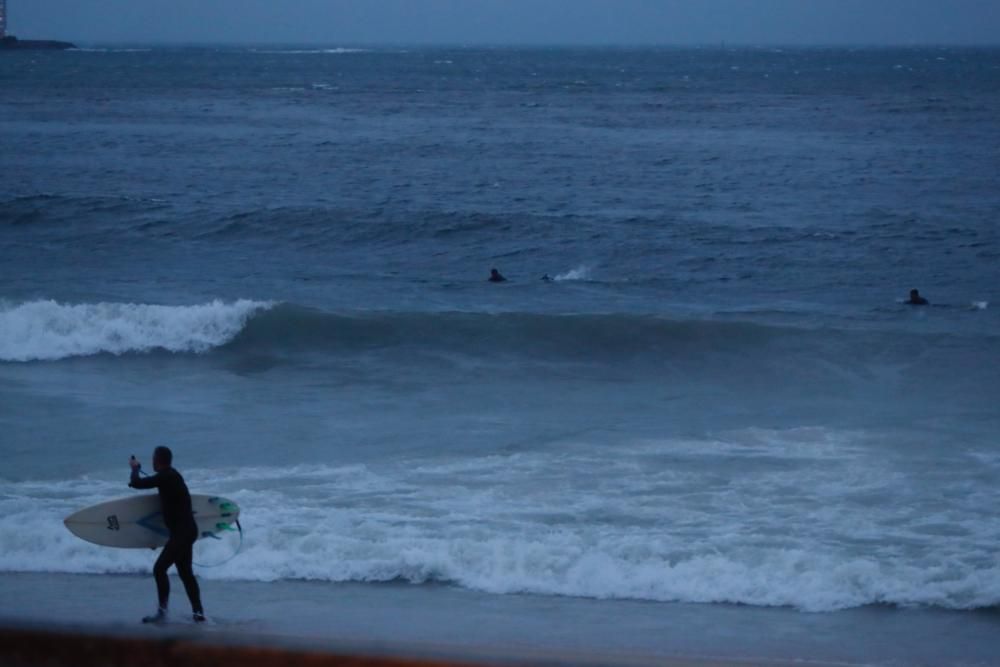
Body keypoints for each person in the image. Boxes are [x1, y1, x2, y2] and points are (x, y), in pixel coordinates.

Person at [129, 446, 205, 623]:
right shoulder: (172, 476)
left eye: (153, 458)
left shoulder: (166, 476)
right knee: (185, 573)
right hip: (185, 531)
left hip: (182, 533)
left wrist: (134, 468)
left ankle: (163, 613)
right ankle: (198, 613)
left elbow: (137, 483)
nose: (152, 461)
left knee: (159, 569)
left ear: (158, 460)